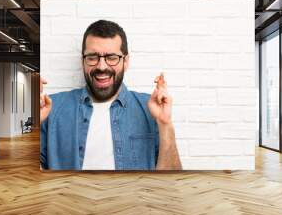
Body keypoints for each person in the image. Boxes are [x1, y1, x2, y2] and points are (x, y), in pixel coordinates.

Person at [40, 20, 182, 170]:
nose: (101, 66)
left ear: (126, 61)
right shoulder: (52, 108)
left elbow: (171, 182)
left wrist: (165, 124)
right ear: (83, 61)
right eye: (92, 57)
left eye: (112, 57)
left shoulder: (151, 109)